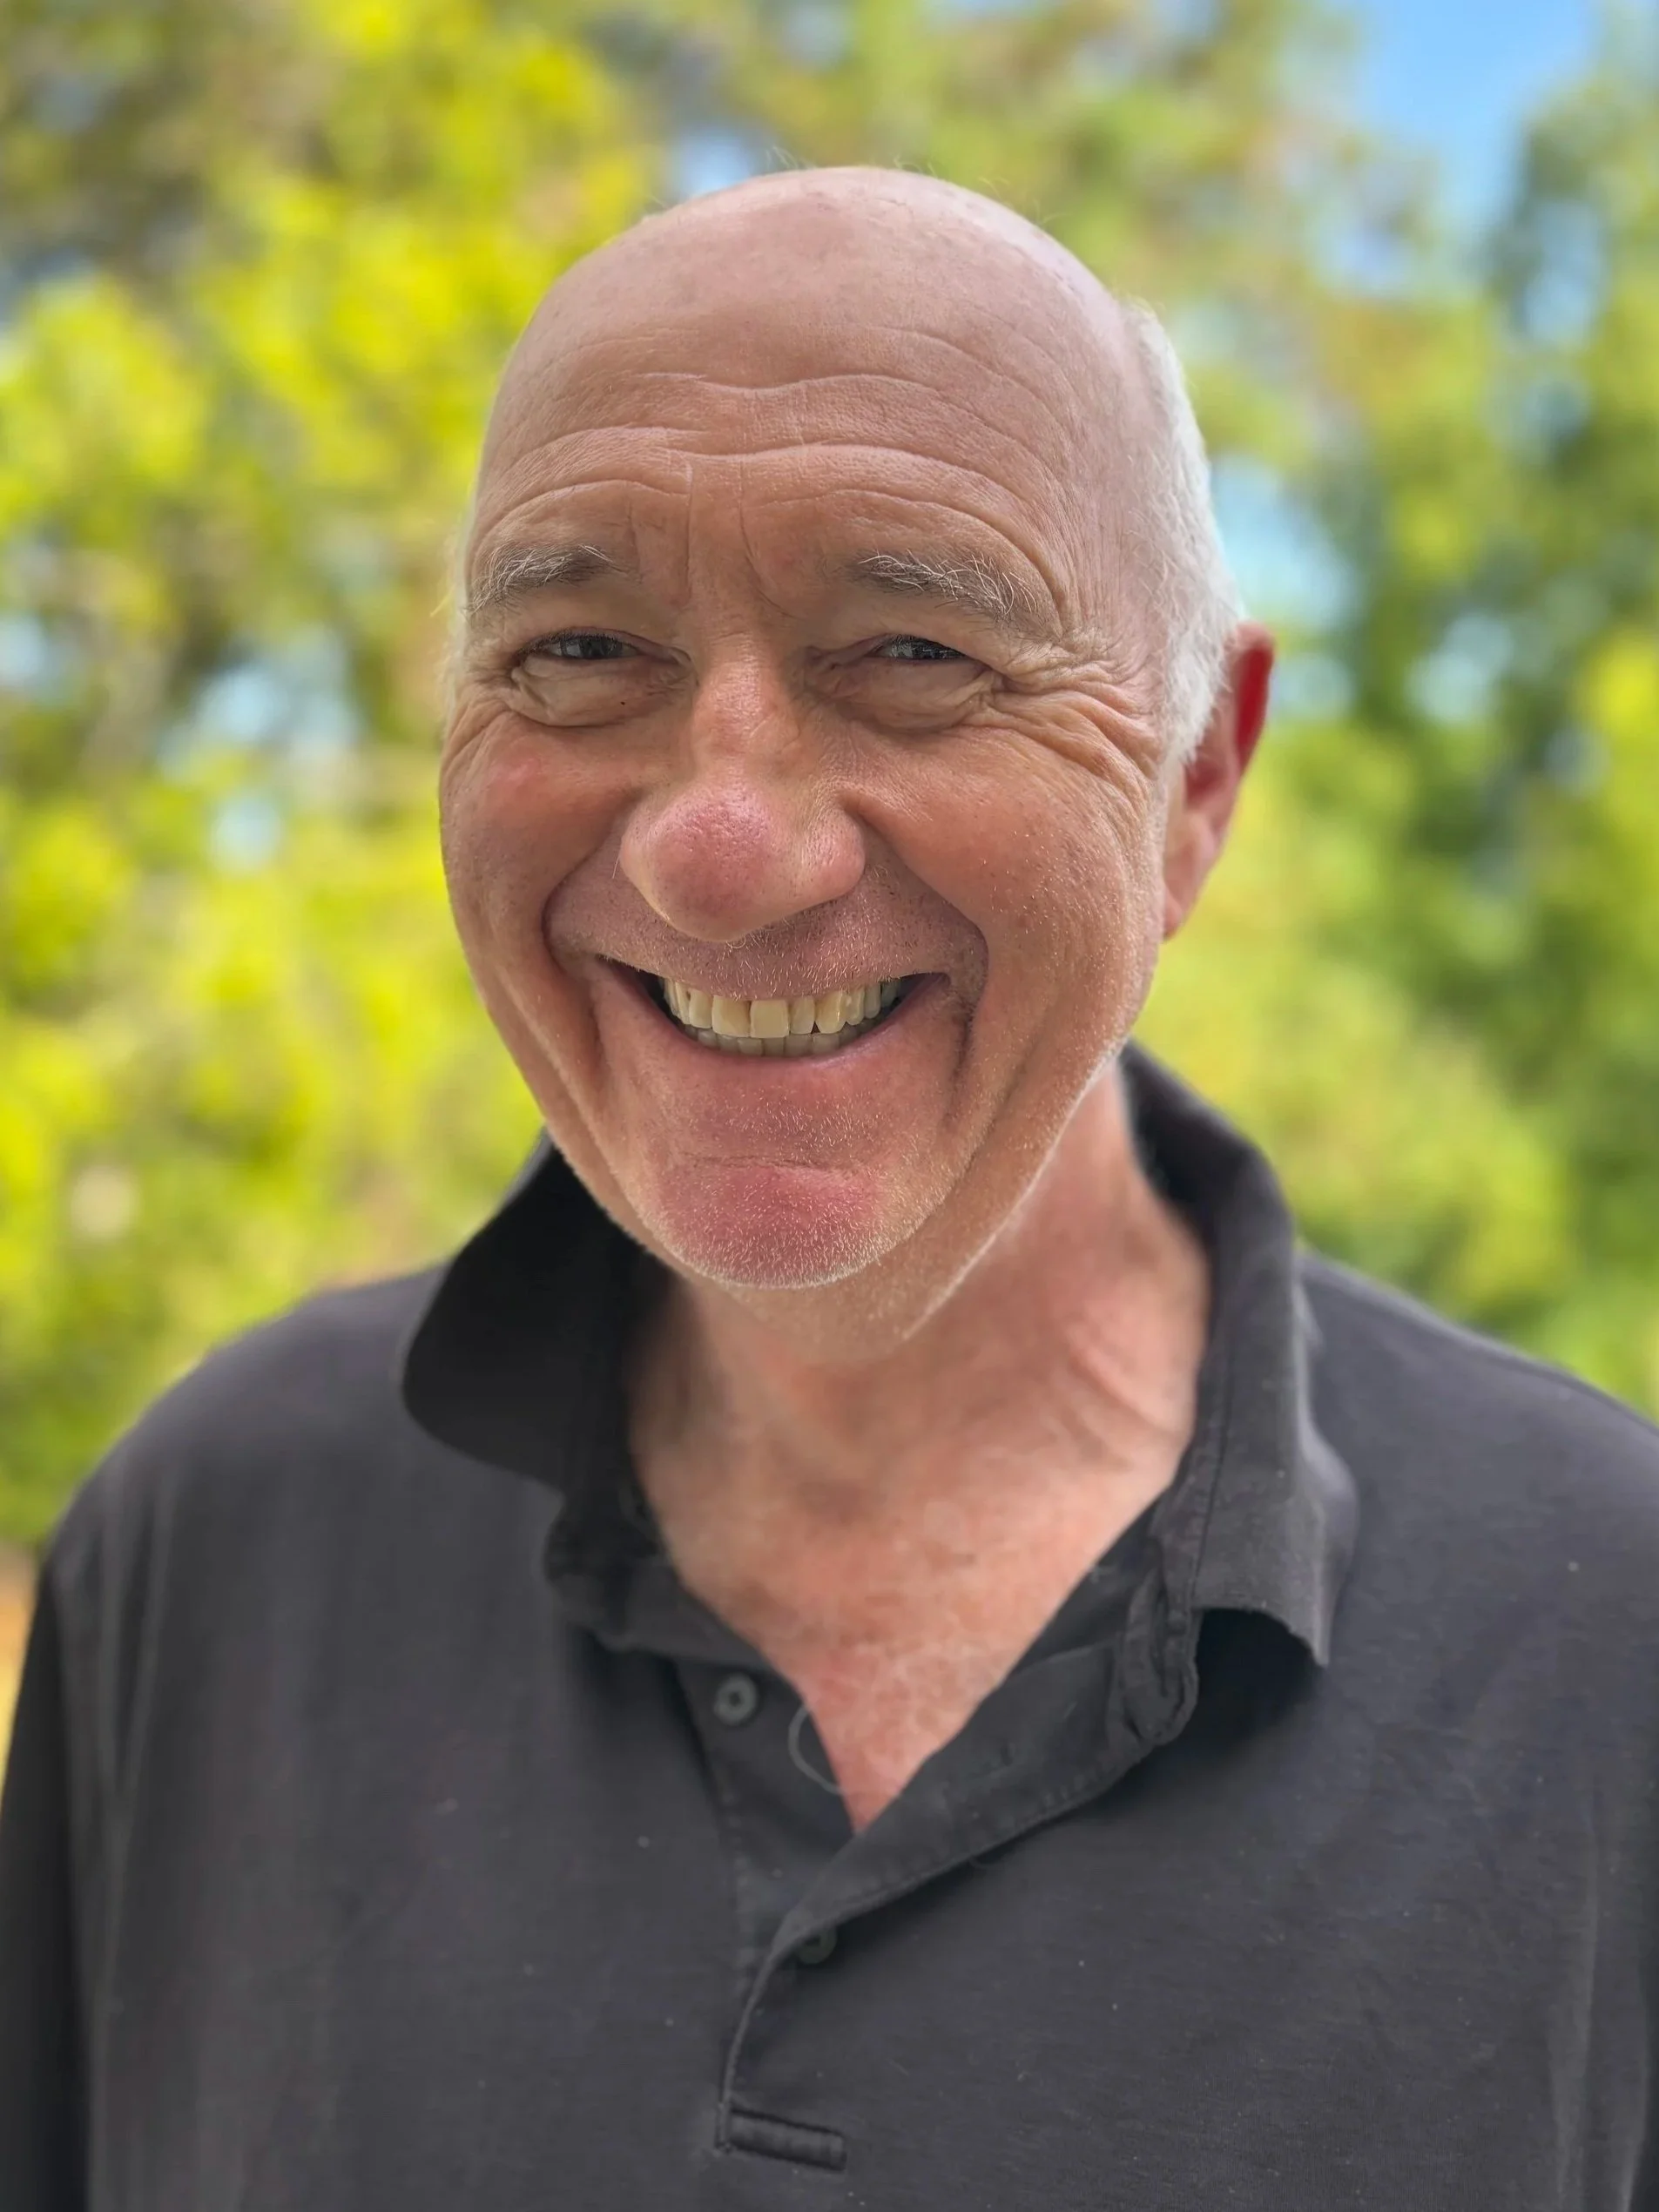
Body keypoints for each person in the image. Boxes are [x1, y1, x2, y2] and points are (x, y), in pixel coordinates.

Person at [3, 166, 1656, 2212]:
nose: (720, 846)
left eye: (911, 650)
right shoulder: (210, 1541)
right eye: (580, 646)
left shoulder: (1609, 1642)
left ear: (1196, 781)